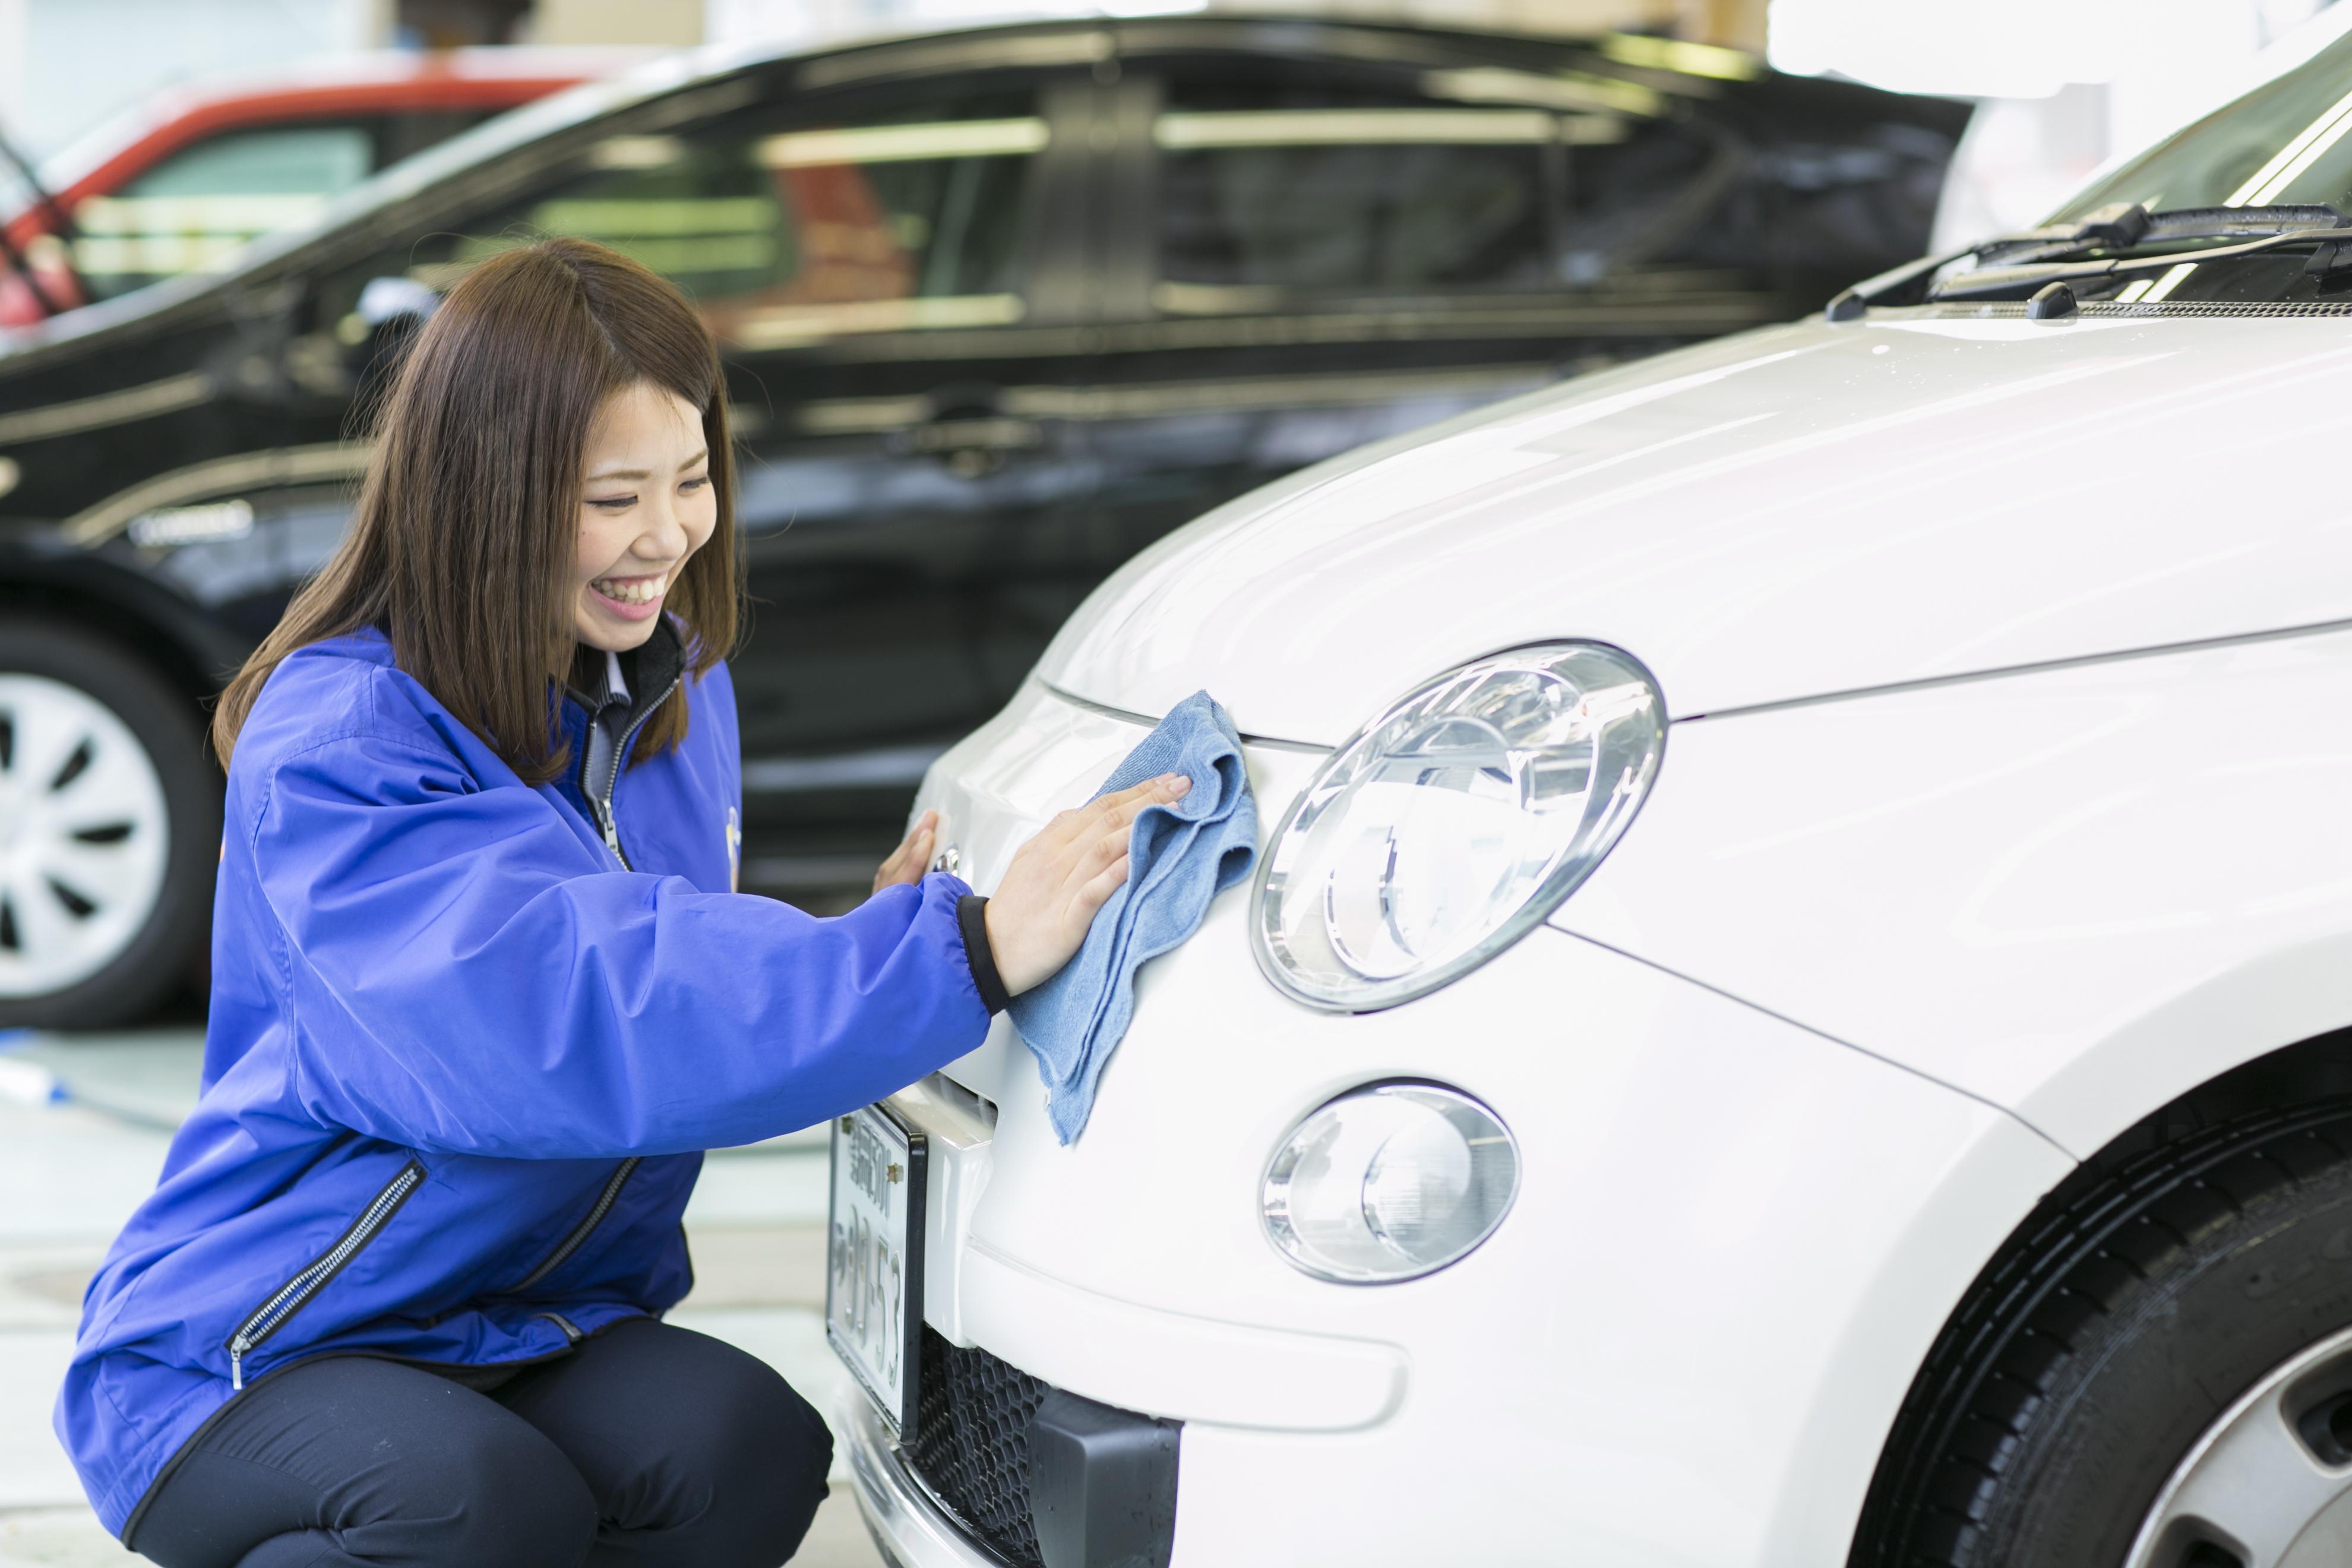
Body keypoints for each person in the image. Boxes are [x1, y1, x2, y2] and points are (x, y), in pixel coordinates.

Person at [52, 236, 1186, 1568]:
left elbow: (662, 962)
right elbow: (562, 1002)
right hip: (259, 1346)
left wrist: (855, 954)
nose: (666, 537)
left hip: (529, 1315)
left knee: (742, 1451)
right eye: (611, 497)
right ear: (485, 496)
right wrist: (949, 954)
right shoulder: (343, 737)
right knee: (473, 1507)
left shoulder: (666, 691)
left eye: (694, 478)